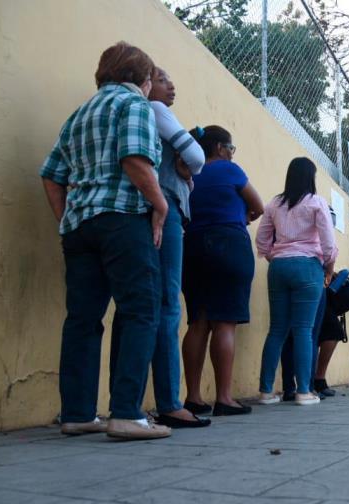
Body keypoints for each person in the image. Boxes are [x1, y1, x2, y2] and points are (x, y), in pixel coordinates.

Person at [40, 42, 170, 440]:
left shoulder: (78, 115)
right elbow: (134, 159)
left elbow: (50, 174)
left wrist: (68, 216)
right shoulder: (133, 105)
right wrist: (160, 205)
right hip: (122, 221)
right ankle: (126, 413)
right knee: (140, 310)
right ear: (144, 80)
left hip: (81, 227)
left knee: (82, 318)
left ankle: (77, 413)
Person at [116, 66, 206, 429]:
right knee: (168, 304)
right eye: (166, 79)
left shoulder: (138, 115)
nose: (172, 86)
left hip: (146, 212)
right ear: (149, 84)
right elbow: (197, 157)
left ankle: (131, 404)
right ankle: (170, 401)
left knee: (142, 305)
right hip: (165, 211)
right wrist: (187, 165)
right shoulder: (155, 110)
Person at [181, 125, 264, 416]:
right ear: (220, 148)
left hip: (191, 244)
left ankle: (192, 397)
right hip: (228, 243)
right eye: (231, 148)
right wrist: (243, 214)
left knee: (198, 322)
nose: (231, 153)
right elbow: (259, 206)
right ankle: (224, 398)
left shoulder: (189, 171)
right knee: (224, 321)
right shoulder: (230, 170)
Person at [256, 157, 338, 406]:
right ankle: (304, 391)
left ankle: (266, 391)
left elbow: (262, 241)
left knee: (277, 330)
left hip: (279, 267)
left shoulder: (274, 204)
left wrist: (276, 257)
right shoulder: (316, 203)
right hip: (308, 267)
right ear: (310, 177)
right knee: (303, 329)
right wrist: (328, 269)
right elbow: (329, 245)